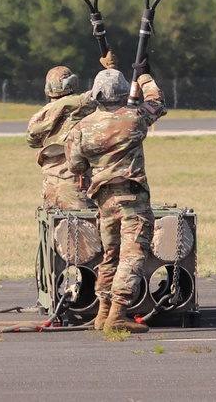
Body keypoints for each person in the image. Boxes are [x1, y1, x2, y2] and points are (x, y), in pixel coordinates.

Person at [66, 65, 166, 332]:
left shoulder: (81, 128)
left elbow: (75, 166)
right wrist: (143, 76)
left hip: (103, 200)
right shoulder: (134, 118)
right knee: (132, 256)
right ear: (123, 92)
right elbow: (157, 103)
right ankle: (118, 315)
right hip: (132, 199)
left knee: (110, 255)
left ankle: (102, 314)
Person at [26, 60, 113, 211]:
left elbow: (32, 141)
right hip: (74, 183)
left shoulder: (40, 115)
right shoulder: (80, 105)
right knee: (82, 230)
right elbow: (102, 93)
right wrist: (110, 70)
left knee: (55, 228)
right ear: (72, 82)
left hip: (50, 185)